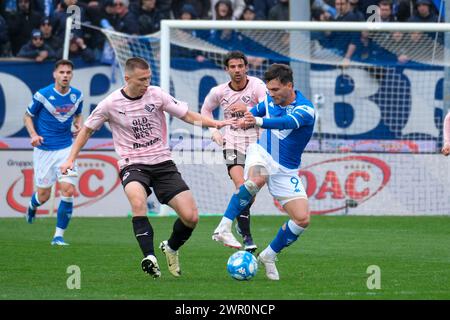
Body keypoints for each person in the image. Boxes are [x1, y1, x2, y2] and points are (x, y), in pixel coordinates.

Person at [60, 57, 234, 278]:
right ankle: (149, 257)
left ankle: (170, 248)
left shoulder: (157, 94)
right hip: (132, 164)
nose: (146, 82)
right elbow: (86, 130)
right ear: (127, 78)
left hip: (162, 163)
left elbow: (187, 115)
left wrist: (215, 123)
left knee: (191, 217)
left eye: (149, 77)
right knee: (138, 201)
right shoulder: (110, 104)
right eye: (142, 79)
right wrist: (70, 159)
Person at [212, 64, 316, 281]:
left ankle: (269, 255)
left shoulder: (306, 109)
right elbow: (258, 110)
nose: (271, 94)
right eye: (269, 90)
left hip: (286, 169)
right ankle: (223, 227)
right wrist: (246, 115)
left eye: (276, 90)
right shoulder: (270, 99)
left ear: (289, 86)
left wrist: (256, 120)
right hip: (262, 153)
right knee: (256, 179)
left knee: (302, 219)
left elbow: (287, 122)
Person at [201, 51, 267, 252]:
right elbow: (205, 111)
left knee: (250, 191)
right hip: (232, 144)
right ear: (226, 69)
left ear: (246, 67)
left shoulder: (257, 86)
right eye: (233, 67)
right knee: (241, 187)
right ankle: (247, 237)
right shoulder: (219, 92)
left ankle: (239, 222)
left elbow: (268, 107)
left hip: (256, 146)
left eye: (240, 66)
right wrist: (214, 131)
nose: (237, 70)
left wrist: (248, 111)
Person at [24, 59, 83, 246]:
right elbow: (27, 116)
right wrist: (34, 135)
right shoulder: (43, 95)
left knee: (68, 190)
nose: (65, 75)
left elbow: (78, 114)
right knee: (43, 196)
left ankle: (58, 236)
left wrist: (78, 123)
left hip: (66, 149)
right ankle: (32, 206)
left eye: (68, 72)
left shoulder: (77, 96)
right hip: (44, 151)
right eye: (62, 72)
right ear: (55, 74)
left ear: (71, 75)